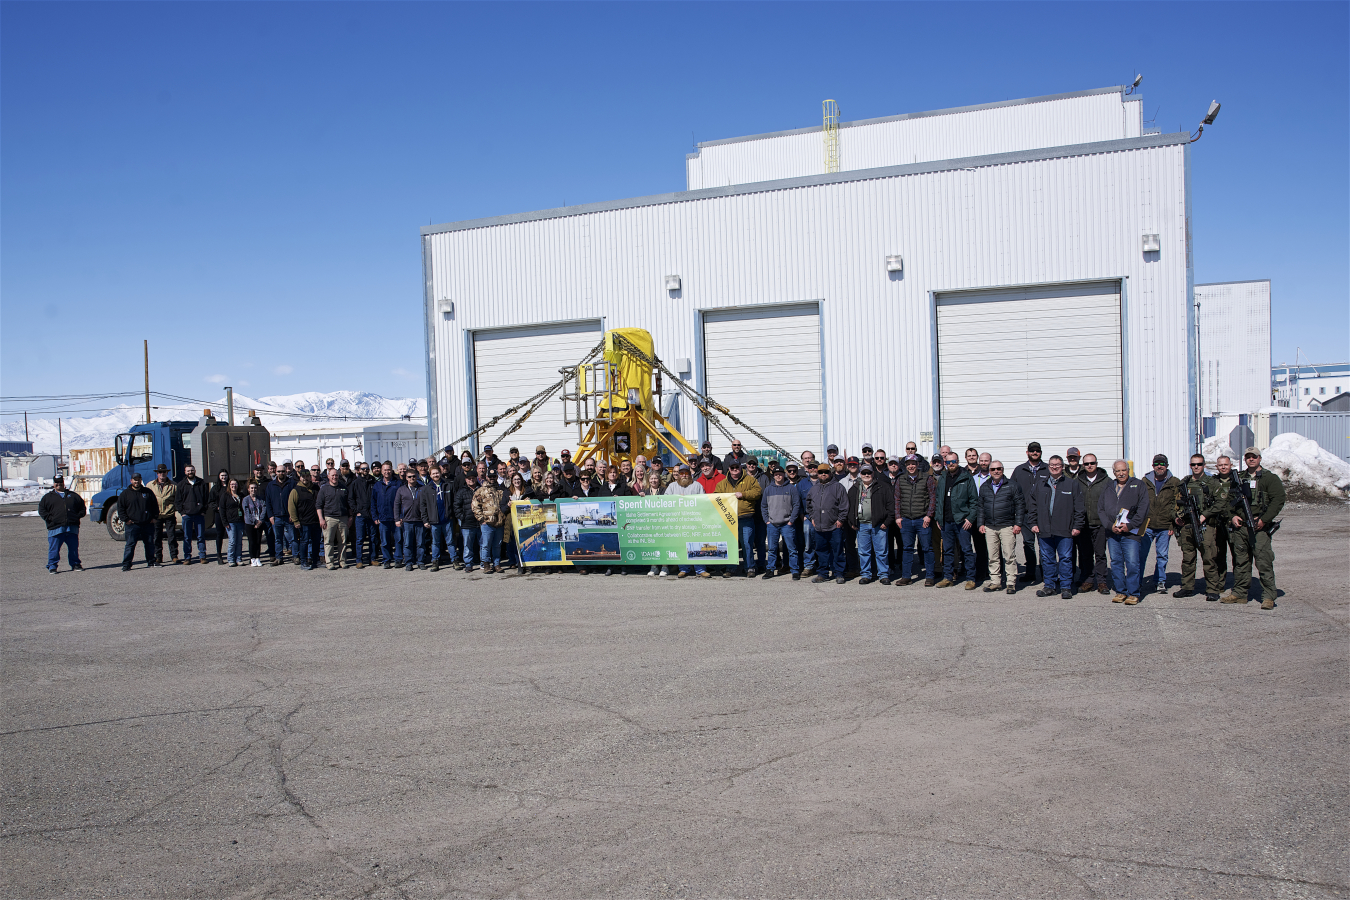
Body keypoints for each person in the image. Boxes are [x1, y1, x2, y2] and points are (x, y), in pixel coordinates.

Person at [1221, 447, 1285, 609]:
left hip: (1259, 528)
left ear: (1259, 458)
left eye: (1254, 457)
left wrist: (1264, 519)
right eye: (1248, 457)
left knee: (1264, 562)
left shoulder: (1269, 478)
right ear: (1245, 459)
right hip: (1240, 527)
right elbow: (1228, 500)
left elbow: (1278, 500)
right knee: (1241, 562)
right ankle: (1240, 594)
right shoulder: (1239, 478)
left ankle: (1269, 596)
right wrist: (1232, 516)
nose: (1251, 459)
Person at [1026, 455, 1085, 598]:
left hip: (1065, 528)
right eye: (1052, 464)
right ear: (1048, 466)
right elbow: (1032, 505)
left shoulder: (1072, 484)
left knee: (1065, 558)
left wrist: (1077, 525)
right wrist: (1033, 523)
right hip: (1044, 529)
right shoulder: (1041, 484)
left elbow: (1079, 507)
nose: (1054, 467)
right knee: (1047, 558)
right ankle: (1049, 586)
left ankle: (1066, 587)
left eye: (1057, 465)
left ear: (1062, 466)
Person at [1097, 460, 1151, 605]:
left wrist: (1131, 525)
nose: (1121, 473)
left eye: (1123, 470)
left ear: (1128, 470)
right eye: (1117, 471)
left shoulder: (1138, 485)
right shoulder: (1108, 486)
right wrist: (1109, 526)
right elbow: (1100, 509)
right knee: (1116, 563)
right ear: (1113, 472)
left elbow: (1143, 508)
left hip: (1130, 532)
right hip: (1113, 532)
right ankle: (1121, 591)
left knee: (1132, 563)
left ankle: (1133, 592)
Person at [1174, 453, 1224, 601]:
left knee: (1209, 557)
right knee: (1188, 559)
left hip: (1205, 525)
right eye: (1193, 465)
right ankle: (1187, 587)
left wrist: (1205, 515)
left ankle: (1212, 589)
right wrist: (1177, 517)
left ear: (1204, 465)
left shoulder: (1211, 482)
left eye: (1199, 464)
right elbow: (1175, 502)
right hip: (1188, 525)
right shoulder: (1185, 482)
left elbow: (1221, 502)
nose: (1196, 467)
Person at [975, 460, 1023, 593]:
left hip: (1007, 525)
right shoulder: (985, 487)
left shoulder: (1012, 485)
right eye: (993, 469)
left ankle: (1011, 582)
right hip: (990, 526)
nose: (996, 471)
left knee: (1009, 555)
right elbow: (981, 507)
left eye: (999, 469)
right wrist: (981, 523)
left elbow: (1020, 505)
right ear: (989, 471)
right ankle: (995, 581)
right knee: (993, 556)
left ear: (1003, 470)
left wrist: (1018, 524)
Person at [934, 454, 978, 589]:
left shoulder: (966, 477)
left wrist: (970, 518)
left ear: (958, 462)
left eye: (953, 461)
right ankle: (948, 577)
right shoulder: (943, 478)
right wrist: (938, 517)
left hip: (961, 521)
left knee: (966, 550)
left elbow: (974, 501)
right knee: (947, 550)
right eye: (948, 461)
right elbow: (938, 500)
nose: (951, 464)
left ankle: (971, 578)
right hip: (946, 522)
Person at [1141, 454, 1182, 596]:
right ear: (1153, 466)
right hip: (1146, 525)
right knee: (1141, 554)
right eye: (1157, 463)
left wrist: (1173, 525)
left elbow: (1177, 505)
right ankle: (1137, 580)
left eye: (1162, 463)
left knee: (1162, 555)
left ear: (1167, 465)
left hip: (1165, 525)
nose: (1160, 466)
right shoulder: (1145, 481)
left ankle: (1159, 581)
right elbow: (1139, 502)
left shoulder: (1175, 482)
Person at [893, 456, 937, 586]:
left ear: (917, 464)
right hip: (906, 520)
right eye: (908, 464)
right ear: (905, 466)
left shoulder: (927, 478)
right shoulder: (901, 479)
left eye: (913, 464)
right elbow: (897, 499)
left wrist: (929, 515)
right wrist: (898, 516)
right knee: (907, 549)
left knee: (927, 548)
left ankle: (930, 576)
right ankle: (906, 576)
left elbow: (932, 498)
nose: (911, 466)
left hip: (922, 519)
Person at [847, 464, 893, 585]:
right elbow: (849, 507)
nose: (866, 475)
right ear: (860, 474)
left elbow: (891, 506)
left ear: (873, 473)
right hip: (861, 525)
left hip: (879, 525)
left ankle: (883, 574)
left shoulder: (883, 487)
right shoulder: (854, 489)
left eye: (869, 473)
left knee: (881, 551)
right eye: (864, 473)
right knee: (863, 552)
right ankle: (866, 574)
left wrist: (886, 522)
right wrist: (852, 521)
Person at [714, 460, 761, 578]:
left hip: (746, 517)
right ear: (729, 469)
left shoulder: (751, 480)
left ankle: (750, 567)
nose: (735, 469)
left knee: (747, 544)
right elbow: (716, 497)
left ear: (741, 467)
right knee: (730, 545)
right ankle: (731, 568)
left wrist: (743, 494)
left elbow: (757, 492)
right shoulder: (722, 483)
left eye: (737, 467)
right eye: (732, 467)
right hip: (729, 520)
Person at [1011, 442, 1049, 583]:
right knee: (1028, 544)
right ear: (1027, 452)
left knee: (1044, 544)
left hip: (1044, 514)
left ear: (1040, 452)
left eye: (1037, 450)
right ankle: (1030, 572)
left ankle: (1046, 574)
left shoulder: (1047, 469)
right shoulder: (1019, 470)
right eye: (1032, 450)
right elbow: (1011, 490)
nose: (1035, 452)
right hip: (1026, 514)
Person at [1075, 454, 1112, 594]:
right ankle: (1088, 580)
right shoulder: (1077, 481)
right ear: (1082, 465)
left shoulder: (1107, 481)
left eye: (1092, 463)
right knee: (1085, 554)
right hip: (1083, 524)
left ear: (1097, 463)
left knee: (1100, 554)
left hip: (1100, 523)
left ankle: (1102, 581)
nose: (1089, 466)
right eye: (1086, 464)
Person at [664, 464, 710, 578]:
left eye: (686, 473)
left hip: (695, 521)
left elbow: (704, 502)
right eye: (682, 473)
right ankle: (683, 568)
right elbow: (665, 502)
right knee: (681, 545)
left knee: (697, 544)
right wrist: (676, 499)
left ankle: (700, 569)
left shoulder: (697, 485)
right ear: (678, 475)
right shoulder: (672, 487)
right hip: (678, 522)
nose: (684, 475)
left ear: (690, 474)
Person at [806, 463, 848, 584]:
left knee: (838, 550)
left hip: (835, 526)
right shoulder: (814, 488)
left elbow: (844, 505)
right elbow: (808, 504)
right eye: (821, 472)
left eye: (826, 472)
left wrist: (840, 519)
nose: (823, 474)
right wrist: (812, 518)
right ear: (817, 474)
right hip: (819, 526)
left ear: (830, 473)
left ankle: (839, 573)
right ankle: (822, 573)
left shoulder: (838, 487)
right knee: (821, 551)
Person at [761, 462, 803, 580]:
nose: (778, 476)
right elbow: (763, 506)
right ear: (773, 476)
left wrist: (791, 520)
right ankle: (770, 570)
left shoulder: (790, 488)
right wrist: (767, 521)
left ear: (783, 475)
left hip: (787, 524)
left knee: (792, 549)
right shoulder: (768, 489)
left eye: (780, 474)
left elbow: (796, 505)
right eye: (776, 474)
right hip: (772, 525)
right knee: (772, 549)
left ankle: (795, 570)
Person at [39, 475, 86, 573]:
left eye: (60, 482)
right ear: (53, 484)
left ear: (63, 483)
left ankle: (75, 564)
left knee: (73, 549)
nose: (58, 484)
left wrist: (76, 516)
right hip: (56, 528)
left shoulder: (73, 496)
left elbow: (82, 508)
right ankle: (52, 566)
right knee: (54, 549)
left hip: (71, 527)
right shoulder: (48, 497)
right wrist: (50, 519)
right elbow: (42, 510)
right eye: (56, 482)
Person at [472, 467, 508, 574]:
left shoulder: (501, 490)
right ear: (487, 477)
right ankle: (486, 564)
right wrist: (481, 519)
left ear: (497, 477)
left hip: (499, 522)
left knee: (497, 545)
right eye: (490, 476)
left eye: (494, 476)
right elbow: (475, 506)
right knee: (486, 545)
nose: (492, 478)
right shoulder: (481, 490)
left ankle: (497, 564)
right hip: (487, 522)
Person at [419, 465, 456, 572]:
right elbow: (423, 505)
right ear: (430, 475)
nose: (436, 475)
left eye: (437, 473)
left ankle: (454, 560)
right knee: (435, 543)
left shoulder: (447, 486)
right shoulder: (427, 489)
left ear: (440, 473)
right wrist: (425, 520)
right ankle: (435, 562)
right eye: (433, 473)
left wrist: (452, 514)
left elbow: (453, 501)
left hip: (447, 519)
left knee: (450, 541)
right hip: (434, 521)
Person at [118, 472, 157, 570]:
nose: (137, 481)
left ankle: (151, 562)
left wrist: (155, 517)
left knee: (149, 544)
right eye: (135, 480)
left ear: (141, 480)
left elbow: (155, 506)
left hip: (147, 523)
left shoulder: (147, 492)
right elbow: (120, 508)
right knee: (130, 545)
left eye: (138, 479)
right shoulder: (125, 494)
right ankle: (126, 564)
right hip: (132, 525)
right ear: (131, 481)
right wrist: (126, 520)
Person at [176, 464, 211, 564]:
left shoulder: (201, 483)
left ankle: (202, 556)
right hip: (186, 515)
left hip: (199, 514)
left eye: (192, 470)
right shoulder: (181, 484)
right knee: (187, 537)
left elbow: (206, 498)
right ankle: (187, 557)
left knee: (200, 536)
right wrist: (182, 512)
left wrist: (203, 510)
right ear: (185, 472)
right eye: (188, 471)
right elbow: (178, 500)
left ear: (195, 471)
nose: (190, 472)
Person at [369, 463, 402, 569]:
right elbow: (373, 503)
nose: (387, 471)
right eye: (385, 470)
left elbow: (403, 501)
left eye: (388, 469)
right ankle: (386, 559)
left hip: (396, 518)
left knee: (398, 540)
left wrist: (401, 516)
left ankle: (398, 559)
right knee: (384, 541)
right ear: (382, 471)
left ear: (392, 470)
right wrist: (375, 517)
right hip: (382, 518)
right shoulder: (377, 485)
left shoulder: (398, 484)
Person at [315, 469, 349, 571]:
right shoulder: (324, 489)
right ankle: (329, 562)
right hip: (329, 518)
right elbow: (318, 505)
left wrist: (350, 517)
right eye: (333, 475)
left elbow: (349, 503)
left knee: (343, 542)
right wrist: (321, 518)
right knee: (328, 541)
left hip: (343, 518)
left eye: (336, 475)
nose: (335, 477)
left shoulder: (343, 487)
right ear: (328, 476)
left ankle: (342, 561)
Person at [264, 465, 297, 566]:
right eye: (279, 471)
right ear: (276, 472)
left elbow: (296, 501)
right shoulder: (271, 485)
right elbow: (268, 502)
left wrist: (293, 515)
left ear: (286, 472)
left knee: (293, 538)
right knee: (278, 539)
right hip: (276, 517)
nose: (281, 473)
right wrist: (270, 516)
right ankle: (279, 558)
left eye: (283, 471)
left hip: (289, 517)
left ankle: (295, 556)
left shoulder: (292, 484)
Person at [288, 469, 321, 570]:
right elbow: (291, 506)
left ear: (310, 477)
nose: (305, 478)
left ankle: (316, 561)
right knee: (304, 542)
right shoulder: (296, 490)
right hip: (304, 522)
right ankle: (304, 561)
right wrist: (295, 521)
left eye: (307, 476)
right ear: (300, 477)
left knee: (316, 541)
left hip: (316, 521)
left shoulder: (316, 488)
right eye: (303, 476)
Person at [148, 464, 179, 565]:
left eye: (164, 472)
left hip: (169, 514)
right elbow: (147, 500)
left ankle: (174, 556)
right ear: (157, 474)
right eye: (160, 472)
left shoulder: (174, 485)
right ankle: (158, 557)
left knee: (172, 536)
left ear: (167, 473)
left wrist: (176, 509)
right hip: (156, 516)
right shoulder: (150, 485)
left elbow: (178, 499)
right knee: (157, 537)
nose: (162, 474)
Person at [394, 471, 424, 572]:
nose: (412, 478)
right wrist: (397, 519)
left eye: (414, 476)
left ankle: (420, 562)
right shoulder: (401, 489)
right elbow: (397, 505)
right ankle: (409, 562)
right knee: (407, 543)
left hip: (419, 520)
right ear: (406, 478)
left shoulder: (421, 488)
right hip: (407, 521)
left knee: (420, 543)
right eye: (409, 477)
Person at [453, 468, 482, 572]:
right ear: (466, 480)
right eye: (469, 478)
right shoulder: (461, 491)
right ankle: (468, 564)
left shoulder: (481, 490)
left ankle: (483, 563)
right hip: (467, 522)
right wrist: (462, 517)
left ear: (476, 478)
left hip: (480, 522)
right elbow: (456, 506)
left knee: (483, 544)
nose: (471, 480)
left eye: (473, 478)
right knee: (467, 545)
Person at [219, 478, 245, 567]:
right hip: (230, 522)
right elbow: (222, 510)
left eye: (235, 484)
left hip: (240, 521)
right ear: (229, 486)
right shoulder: (225, 495)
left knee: (239, 541)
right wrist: (224, 522)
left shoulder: (241, 495)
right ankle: (230, 559)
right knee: (232, 541)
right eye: (232, 484)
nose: (234, 486)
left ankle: (239, 558)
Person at [243, 481, 268, 567]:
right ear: (248, 489)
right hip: (250, 524)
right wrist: (255, 522)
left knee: (258, 541)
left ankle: (258, 558)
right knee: (252, 541)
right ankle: (252, 558)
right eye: (252, 488)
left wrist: (260, 521)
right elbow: (247, 512)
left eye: (255, 488)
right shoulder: (245, 500)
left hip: (259, 523)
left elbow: (264, 509)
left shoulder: (260, 499)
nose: (253, 490)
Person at [207, 468, 230, 564]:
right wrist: (217, 508)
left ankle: (233, 555)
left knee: (232, 535)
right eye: (222, 476)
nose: (224, 477)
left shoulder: (230, 487)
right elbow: (211, 501)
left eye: (225, 475)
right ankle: (219, 555)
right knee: (220, 535)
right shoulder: (215, 489)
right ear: (219, 477)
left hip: (230, 514)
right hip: (219, 514)